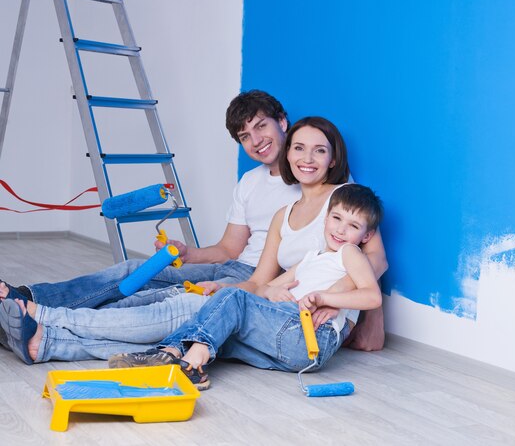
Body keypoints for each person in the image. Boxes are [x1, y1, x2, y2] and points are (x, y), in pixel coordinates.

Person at [0, 116, 387, 364]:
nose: (306, 158)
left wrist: (343, 305)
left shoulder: (344, 203)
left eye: (319, 150)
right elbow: (260, 281)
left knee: (174, 312)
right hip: (268, 302)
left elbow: (372, 262)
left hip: (298, 318)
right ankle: (48, 341)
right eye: (299, 149)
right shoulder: (281, 213)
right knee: (173, 318)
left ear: (333, 158)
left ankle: (41, 315)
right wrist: (225, 287)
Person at [0, 90, 299, 311]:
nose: (256, 140)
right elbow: (228, 249)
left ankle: (35, 318)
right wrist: (186, 252)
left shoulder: (316, 181)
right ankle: (25, 297)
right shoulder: (250, 182)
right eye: (245, 136)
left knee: (147, 301)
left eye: (261, 126)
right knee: (133, 271)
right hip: (231, 267)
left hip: (256, 280)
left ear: (282, 122)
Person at [109, 184, 384, 390]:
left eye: (353, 225)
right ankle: (175, 356)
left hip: (311, 336)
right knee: (222, 329)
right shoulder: (312, 258)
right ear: (326, 219)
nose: (341, 230)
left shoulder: (349, 253)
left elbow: (372, 297)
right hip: (289, 336)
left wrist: (326, 298)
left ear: (366, 235)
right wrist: (271, 291)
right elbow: (264, 288)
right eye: (336, 219)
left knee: (234, 297)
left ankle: (185, 361)